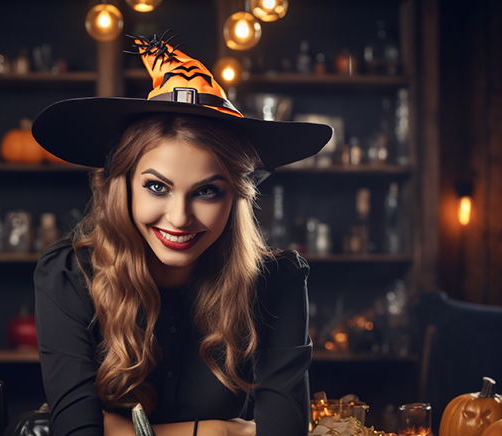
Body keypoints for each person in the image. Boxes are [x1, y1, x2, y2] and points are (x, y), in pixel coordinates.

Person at [31, 33, 333, 436]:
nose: (179, 217)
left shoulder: (277, 280)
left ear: (237, 198)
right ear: (123, 186)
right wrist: (223, 432)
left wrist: (120, 430)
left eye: (207, 191)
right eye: (157, 186)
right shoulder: (69, 276)